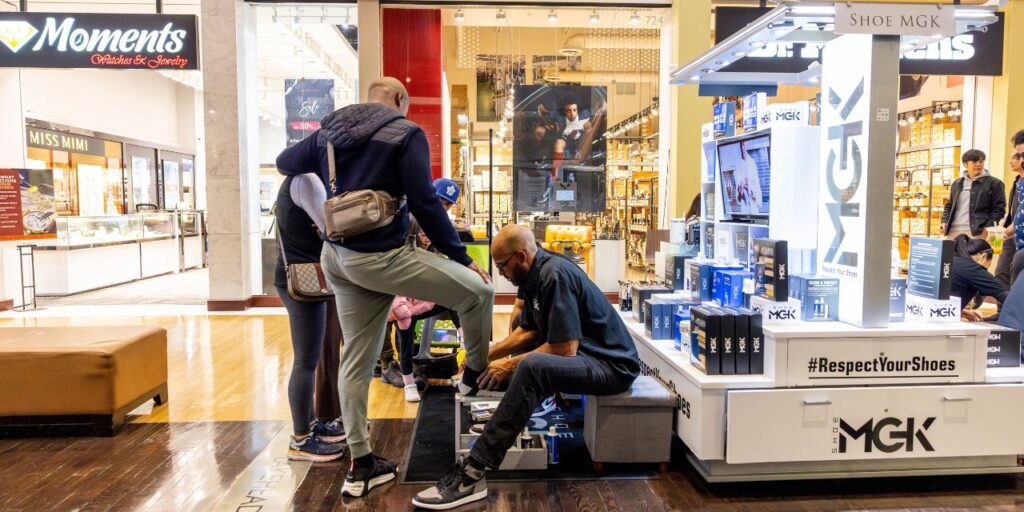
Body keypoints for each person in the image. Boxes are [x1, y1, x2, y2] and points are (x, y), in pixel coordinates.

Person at [275, 77, 494, 499]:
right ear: (401, 101)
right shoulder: (404, 133)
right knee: (478, 293)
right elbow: (426, 202)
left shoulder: (329, 133)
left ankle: (362, 466)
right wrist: (460, 255)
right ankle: (472, 376)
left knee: (356, 361)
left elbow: (285, 162)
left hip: (337, 259)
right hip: (382, 257)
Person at [413, 224, 639, 510]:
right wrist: (486, 355)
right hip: (587, 357)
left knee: (531, 367)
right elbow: (529, 332)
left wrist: (509, 366)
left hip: (611, 367)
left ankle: (472, 472)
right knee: (517, 360)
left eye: (502, 266)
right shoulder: (535, 275)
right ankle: (482, 410)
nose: (502, 273)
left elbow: (564, 348)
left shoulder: (554, 275)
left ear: (521, 256)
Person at [274, 172, 347, 462]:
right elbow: (332, 226)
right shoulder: (305, 181)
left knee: (311, 357)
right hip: (302, 279)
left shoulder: (297, 181)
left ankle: (313, 425)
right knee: (305, 360)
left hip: (303, 276)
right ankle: (300, 439)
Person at [381, 178, 466, 403]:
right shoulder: (409, 218)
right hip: (400, 288)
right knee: (398, 319)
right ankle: (393, 368)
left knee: (458, 300)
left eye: (447, 204)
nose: (442, 206)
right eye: (439, 200)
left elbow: (449, 257)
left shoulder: (441, 224)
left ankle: (469, 354)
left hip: (425, 290)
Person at [940, 149, 1006, 240]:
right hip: (953, 231)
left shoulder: (995, 183)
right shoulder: (957, 183)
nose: (978, 164)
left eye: (981, 161)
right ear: (965, 164)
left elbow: (998, 209)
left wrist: (987, 229)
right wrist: (944, 221)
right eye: (974, 161)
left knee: (977, 255)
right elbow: (949, 205)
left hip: (976, 232)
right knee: (950, 255)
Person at [950, 234, 1007, 320]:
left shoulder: (951, 260)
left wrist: (959, 311)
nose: (985, 271)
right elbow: (1007, 297)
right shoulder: (974, 270)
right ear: (984, 257)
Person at [997, 150, 1024, 286]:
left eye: (1016, 157)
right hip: (1011, 235)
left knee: (1017, 275)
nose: (1011, 161)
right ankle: (1003, 307)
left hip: (1019, 235)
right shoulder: (1017, 181)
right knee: (1001, 273)